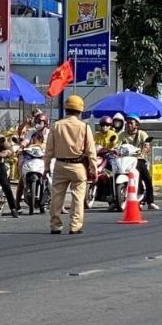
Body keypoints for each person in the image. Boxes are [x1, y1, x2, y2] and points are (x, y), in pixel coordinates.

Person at [45, 95, 96, 235]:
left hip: (60, 165)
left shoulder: (56, 125)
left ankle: (55, 225)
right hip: (78, 166)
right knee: (78, 198)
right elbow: (91, 151)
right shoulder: (84, 127)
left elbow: (48, 149)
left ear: (66, 108)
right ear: (80, 110)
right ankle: (75, 226)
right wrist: (94, 169)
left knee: (57, 196)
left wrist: (46, 167)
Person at [119, 114, 157, 210]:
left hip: (138, 159)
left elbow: (147, 146)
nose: (129, 125)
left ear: (137, 125)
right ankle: (115, 200)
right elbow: (116, 145)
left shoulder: (142, 134)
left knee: (147, 178)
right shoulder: (122, 135)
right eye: (127, 123)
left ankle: (150, 202)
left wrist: (143, 152)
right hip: (125, 160)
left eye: (131, 123)